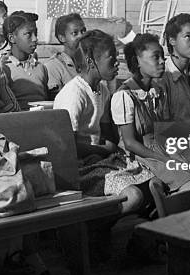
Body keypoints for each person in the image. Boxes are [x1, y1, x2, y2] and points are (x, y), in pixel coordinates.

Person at [53, 30, 152, 215]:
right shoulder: (74, 94)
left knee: (154, 180)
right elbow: (67, 147)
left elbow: (109, 136)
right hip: (80, 169)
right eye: (111, 58)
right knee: (134, 195)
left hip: (102, 161)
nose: (117, 63)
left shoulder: (102, 90)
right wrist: (103, 150)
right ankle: (97, 229)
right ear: (91, 62)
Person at [112, 33, 190, 192]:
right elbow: (130, 143)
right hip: (143, 156)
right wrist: (165, 159)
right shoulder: (124, 95)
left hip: (164, 149)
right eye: (156, 57)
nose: (162, 61)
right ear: (137, 62)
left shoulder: (157, 91)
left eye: (162, 56)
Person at [3, 11, 49, 110]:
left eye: (35, 34)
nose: (35, 39)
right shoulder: (5, 69)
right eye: (28, 34)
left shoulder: (40, 67)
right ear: (12, 38)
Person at [45, 13, 86, 93]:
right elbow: (55, 100)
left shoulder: (89, 62)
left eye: (83, 31)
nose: (81, 36)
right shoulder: (54, 66)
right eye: (75, 33)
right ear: (62, 38)